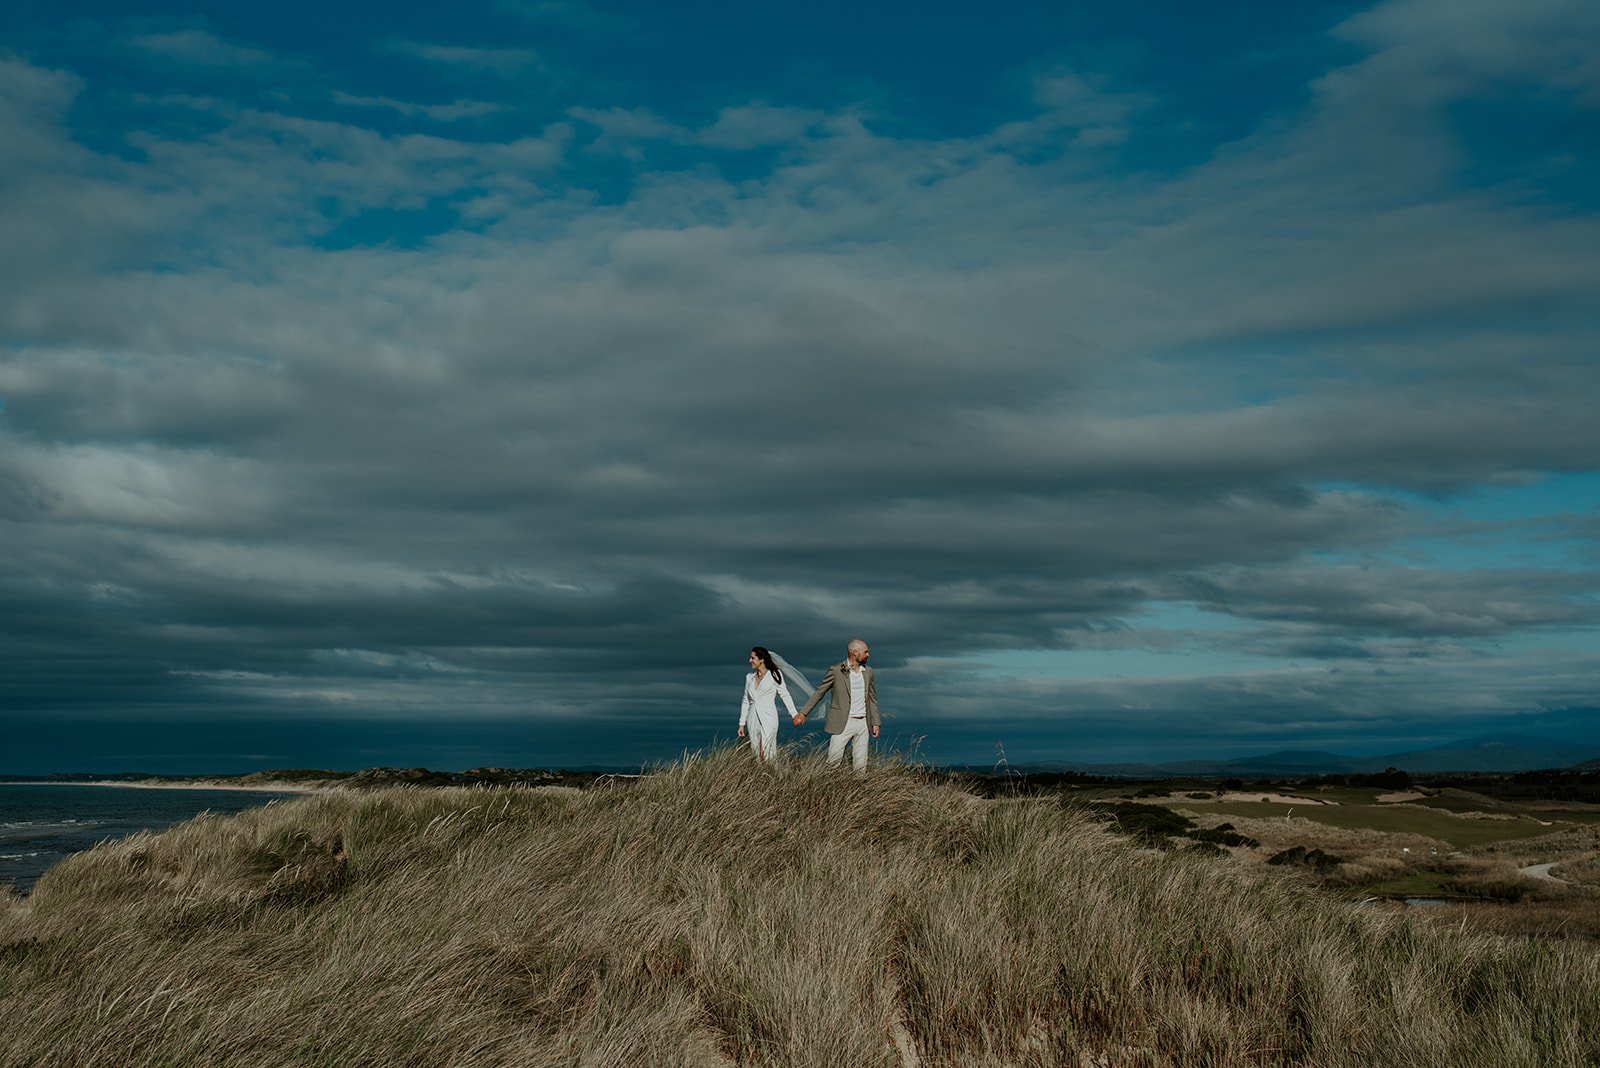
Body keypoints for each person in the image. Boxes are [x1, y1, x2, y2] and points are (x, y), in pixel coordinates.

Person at [791, 638, 879, 772]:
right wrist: (803, 713)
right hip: (842, 723)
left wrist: (875, 722)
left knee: (861, 767)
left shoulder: (869, 672)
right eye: (865, 652)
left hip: (863, 724)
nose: (868, 654)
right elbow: (819, 692)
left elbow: (872, 698)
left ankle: (859, 790)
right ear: (855, 653)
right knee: (833, 763)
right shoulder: (836, 670)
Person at [739, 646, 798, 762]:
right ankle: (761, 775)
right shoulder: (749, 678)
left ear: (761, 659)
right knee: (756, 751)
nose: (749, 660)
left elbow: (784, 694)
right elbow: (745, 700)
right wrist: (742, 723)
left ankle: (774, 774)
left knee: (767, 750)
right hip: (752, 717)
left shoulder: (775, 674)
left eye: (752, 658)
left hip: (769, 716)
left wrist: (794, 714)